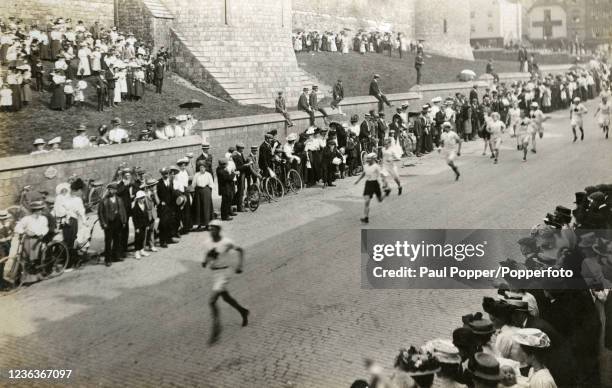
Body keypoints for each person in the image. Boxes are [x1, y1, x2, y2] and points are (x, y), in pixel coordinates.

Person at [202, 219, 249, 345]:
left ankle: (216, 329)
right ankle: (243, 311)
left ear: (219, 229)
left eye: (214, 228)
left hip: (224, 273)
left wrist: (240, 265)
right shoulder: (207, 242)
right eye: (210, 228)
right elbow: (208, 254)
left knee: (212, 302)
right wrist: (205, 261)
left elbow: (241, 250)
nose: (211, 230)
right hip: (215, 273)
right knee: (226, 298)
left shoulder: (226, 242)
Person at [98, 182, 127, 267]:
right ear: (108, 190)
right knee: (108, 241)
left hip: (118, 222)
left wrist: (124, 221)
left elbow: (123, 210)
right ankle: (108, 259)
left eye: (114, 190)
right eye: (110, 190)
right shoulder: (104, 201)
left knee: (117, 240)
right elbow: (100, 213)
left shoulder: (119, 199)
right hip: (109, 223)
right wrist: (103, 223)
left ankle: (116, 256)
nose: (112, 191)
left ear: (116, 190)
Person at [14, 201, 49, 265]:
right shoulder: (27, 219)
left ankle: (35, 264)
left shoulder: (43, 219)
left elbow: (45, 228)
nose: (41, 211)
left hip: (39, 239)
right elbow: (17, 227)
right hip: (28, 239)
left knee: (37, 253)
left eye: (41, 209)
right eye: (39, 210)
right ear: (34, 211)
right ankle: (28, 264)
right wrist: (25, 231)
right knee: (26, 254)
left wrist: (41, 233)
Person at [354, 153, 384, 224]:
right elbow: (364, 173)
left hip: (375, 184)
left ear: (373, 159)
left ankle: (386, 193)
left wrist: (385, 183)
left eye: (369, 159)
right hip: (368, 184)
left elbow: (382, 175)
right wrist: (358, 180)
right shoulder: (366, 166)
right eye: (367, 158)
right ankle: (366, 218)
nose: (367, 160)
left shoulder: (376, 166)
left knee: (379, 200)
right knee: (367, 201)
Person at [192, 160, 214, 230]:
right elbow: (193, 184)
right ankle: (199, 224)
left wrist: (209, 193)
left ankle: (207, 224)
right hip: (198, 191)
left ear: (205, 168)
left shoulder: (208, 174)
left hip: (206, 191)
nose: (202, 169)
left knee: (206, 208)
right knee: (198, 208)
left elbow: (211, 185)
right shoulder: (196, 175)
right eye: (200, 167)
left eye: (203, 167)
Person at [131, 191, 152, 260]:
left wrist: (148, 224)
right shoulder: (135, 208)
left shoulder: (144, 205)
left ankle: (142, 250)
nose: (143, 199)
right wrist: (136, 227)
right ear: (138, 199)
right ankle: (137, 252)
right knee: (138, 238)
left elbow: (146, 216)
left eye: (143, 198)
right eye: (141, 198)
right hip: (138, 226)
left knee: (143, 237)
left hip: (144, 225)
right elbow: (134, 219)